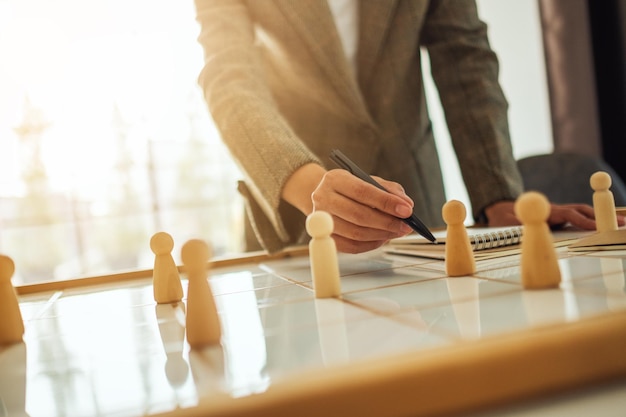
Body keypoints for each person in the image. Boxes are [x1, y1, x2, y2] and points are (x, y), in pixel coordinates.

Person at [193, 0, 608, 254]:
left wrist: (498, 195)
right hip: (299, 212)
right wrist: (308, 185)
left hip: (415, 202)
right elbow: (230, 78)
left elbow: (464, 55)